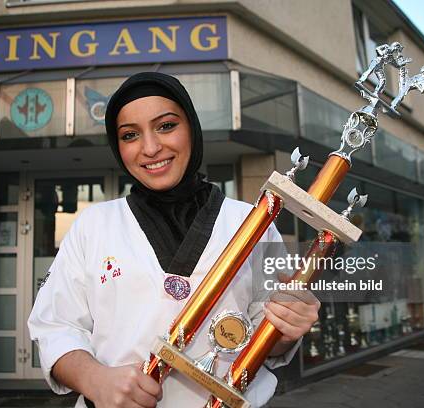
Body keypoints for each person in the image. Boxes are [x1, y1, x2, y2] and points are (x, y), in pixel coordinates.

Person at [28, 72, 320, 408]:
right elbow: (55, 325)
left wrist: (285, 328)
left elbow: (264, 335)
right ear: (117, 145)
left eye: (166, 126)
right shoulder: (93, 226)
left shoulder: (250, 224)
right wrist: (95, 379)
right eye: (130, 135)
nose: (150, 148)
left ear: (192, 129)